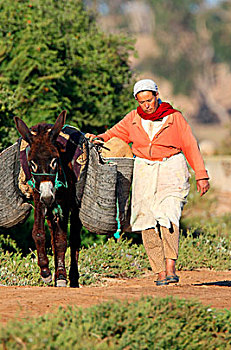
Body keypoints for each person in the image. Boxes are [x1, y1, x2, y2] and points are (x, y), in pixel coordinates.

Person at [86, 78, 210, 286]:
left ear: (156, 96)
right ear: (137, 100)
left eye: (150, 100)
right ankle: (159, 271)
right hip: (144, 169)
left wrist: (201, 174)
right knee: (146, 220)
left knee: (169, 214)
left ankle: (171, 266)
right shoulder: (133, 119)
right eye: (142, 101)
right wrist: (97, 137)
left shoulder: (174, 118)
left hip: (171, 167)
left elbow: (190, 144)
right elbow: (113, 135)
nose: (147, 105)